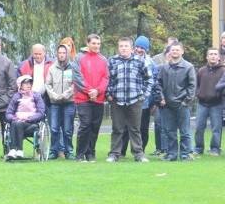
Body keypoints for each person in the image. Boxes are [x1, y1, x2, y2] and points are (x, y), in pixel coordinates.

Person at [105, 37, 153, 163]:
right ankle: (114, 154)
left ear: (132, 48)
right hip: (117, 100)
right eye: (121, 46)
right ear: (118, 47)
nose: (123, 48)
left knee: (135, 129)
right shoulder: (112, 61)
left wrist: (143, 95)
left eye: (126, 46)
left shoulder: (140, 61)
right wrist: (108, 94)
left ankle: (138, 153)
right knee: (117, 129)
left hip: (135, 100)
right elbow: (107, 79)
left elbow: (149, 80)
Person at [156, 42, 197, 161]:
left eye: (177, 50)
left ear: (182, 52)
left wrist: (186, 101)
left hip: (182, 104)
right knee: (170, 132)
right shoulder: (164, 68)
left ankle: (185, 155)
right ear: (169, 52)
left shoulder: (188, 67)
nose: (175, 52)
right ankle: (171, 154)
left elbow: (192, 86)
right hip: (168, 105)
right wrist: (161, 97)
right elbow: (158, 84)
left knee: (184, 132)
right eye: (173, 50)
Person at [72, 34, 108, 162]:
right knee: (85, 125)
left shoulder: (103, 59)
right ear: (88, 44)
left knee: (95, 126)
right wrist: (89, 91)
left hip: (98, 98)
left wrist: (97, 91)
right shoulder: (79, 57)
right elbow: (77, 76)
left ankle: (91, 153)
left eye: (98, 44)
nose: (96, 46)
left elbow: (106, 77)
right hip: (83, 98)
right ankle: (80, 154)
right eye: (94, 43)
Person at [4, 75, 45, 159]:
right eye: (26, 83)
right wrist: (13, 118)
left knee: (17, 124)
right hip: (17, 121)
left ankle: (18, 150)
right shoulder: (16, 96)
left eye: (29, 83)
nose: (28, 85)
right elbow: (9, 113)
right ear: (20, 85)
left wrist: (29, 118)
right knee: (15, 123)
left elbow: (41, 112)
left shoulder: (36, 96)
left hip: (32, 123)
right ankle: (13, 150)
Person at [45, 44, 75, 159]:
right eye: (60, 53)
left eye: (64, 53)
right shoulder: (52, 68)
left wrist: (64, 95)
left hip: (69, 102)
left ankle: (69, 151)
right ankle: (54, 151)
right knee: (54, 128)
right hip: (55, 103)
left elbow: (74, 84)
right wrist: (55, 96)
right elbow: (48, 85)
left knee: (68, 129)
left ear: (67, 54)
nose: (62, 55)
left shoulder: (72, 67)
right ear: (57, 54)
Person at [194, 48, 224, 156]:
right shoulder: (201, 70)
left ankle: (215, 149)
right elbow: (196, 85)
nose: (213, 56)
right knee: (198, 127)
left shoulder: (223, 71)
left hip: (216, 104)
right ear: (207, 57)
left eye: (215, 54)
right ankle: (198, 148)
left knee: (216, 128)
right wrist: (198, 94)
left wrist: (218, 96)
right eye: (211, 54)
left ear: (218, 57)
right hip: (202, 103)